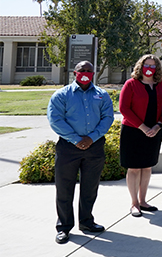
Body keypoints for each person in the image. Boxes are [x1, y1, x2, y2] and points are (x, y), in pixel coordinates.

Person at [47, 61, 114, 244]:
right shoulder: (62, 95)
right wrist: (77, 140)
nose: (85, 73)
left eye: (88, 71)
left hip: (95, 146)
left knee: (90, 187)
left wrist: (91, 138)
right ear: (74, 72)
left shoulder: (102, 95)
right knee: (64, 188)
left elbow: (108, 117)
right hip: (68, 147)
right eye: (81, 70)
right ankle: (64, 227)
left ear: (93, 73)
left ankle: (87, 222)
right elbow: (55, 119)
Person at [119, 54, 162, 217]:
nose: (149, 68)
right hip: (133, 131)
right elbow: (124, 108)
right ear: (140, 66)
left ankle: (143, 201)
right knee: (134, 168)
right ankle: (134, 203)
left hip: (154, 131)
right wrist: (142, 127)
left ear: (157, 68)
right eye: (146, 65)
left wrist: (157, 126)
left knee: (147, 166)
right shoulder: (131, 84)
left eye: (153, 66)